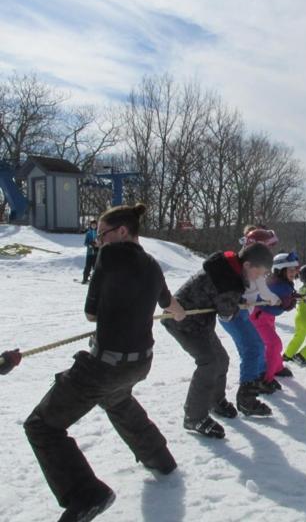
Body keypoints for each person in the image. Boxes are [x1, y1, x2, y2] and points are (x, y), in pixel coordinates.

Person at [23, 203, 186, 522]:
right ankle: (160, 458)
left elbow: (91, 313)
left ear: (122, 231)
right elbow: (173, 308)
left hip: (105, 366)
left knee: (41, 426)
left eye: (101, 234)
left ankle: (88, 495)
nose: (98, 241)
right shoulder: (153, 264)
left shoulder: (109, 256)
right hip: (139, 364)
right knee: (117, 398)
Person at [162, 248, 273, 438]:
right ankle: (194, 417)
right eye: (261, 272)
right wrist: (236, 305)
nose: (261, 277)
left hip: (200, 323)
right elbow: (226, 314)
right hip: (182, 322)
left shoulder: (228, 270)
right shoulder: (229, 281)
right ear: (247, 265)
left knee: (221, 359)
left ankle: (215, 400)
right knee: (209, 362)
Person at [216, 243, 277, 416]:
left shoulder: (250, 271)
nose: (261, 276)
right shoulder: (240, 271)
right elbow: (226, 293)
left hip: (242, 314)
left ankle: (256, 379)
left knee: (255, 346)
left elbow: (261, 291)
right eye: (260, 272)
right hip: (234, 316)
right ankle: (246, 398)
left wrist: (274, 300)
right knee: (253, 348)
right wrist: (238, 301)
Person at [249, 252, 299, 390]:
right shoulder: (274, 283)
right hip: (258, 318)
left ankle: (277, 368)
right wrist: (287, 301)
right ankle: (265, 379)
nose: (294, 273)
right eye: (290, 270)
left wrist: (294, 298)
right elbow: (279, 297)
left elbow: (287, 297)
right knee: (274, 344)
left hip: (268, 317)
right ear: (280, 270)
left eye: (295, 269)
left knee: (272, 344)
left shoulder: (283, 283)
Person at [82, 220, 99, 284]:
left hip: (96, 253)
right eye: (92, 225)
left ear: (97, 225)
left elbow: (101, 242)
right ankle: (85, 279)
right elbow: (85, 243)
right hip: (89, 253)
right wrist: (90, 245)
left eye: (95, 225)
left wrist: (98, 245)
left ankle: (96, 280)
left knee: (96, 267)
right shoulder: (88, 233)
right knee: (87, 266)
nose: (94, 226)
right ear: (90, 225)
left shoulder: (99, 233)